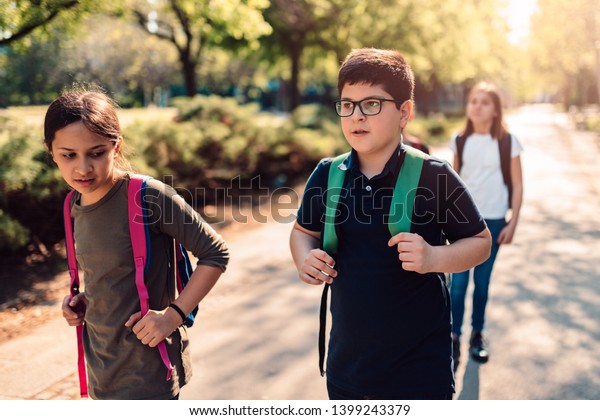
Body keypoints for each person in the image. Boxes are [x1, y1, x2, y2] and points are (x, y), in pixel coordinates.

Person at [289, 48, 492, 400]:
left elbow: (480, 242)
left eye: (371, 104)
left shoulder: (434, 176)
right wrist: (304, 258)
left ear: (404, 112)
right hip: (347, 371)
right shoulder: (327, 174)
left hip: (419, 372)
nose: (356, 116)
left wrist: (434, 258)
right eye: (347, 104)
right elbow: (302, 233)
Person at [46, 86, 229, 399]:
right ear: (51, 151)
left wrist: (173, 315)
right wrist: (83, 304)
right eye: (68, 155)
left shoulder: (148, 197)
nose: (83, 168)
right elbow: (110, 275)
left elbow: (216, 253)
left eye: (96, 152)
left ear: (116, 146)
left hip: (149, 375)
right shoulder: (71, 205)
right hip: (101, 373)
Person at [449, 82, 523, 370]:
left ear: (495, 110)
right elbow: (451, 184)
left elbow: (517, 185)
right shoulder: (459, 141)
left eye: (484, 102)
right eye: (473, 101)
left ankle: (477, 334)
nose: (476, 106)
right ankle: (453, 337)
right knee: (457, 286)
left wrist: (513, 222)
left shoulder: (507, 142)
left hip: (493, 221)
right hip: (461, 223)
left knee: (482, 283)